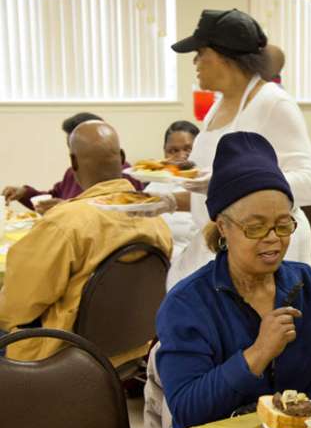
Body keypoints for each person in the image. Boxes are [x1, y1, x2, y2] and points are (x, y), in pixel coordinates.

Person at [156, 132, 311, 428]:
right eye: (256, 228)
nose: (273, 240)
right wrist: (258, 353)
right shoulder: (188, 304)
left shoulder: (303, 282)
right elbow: (187, 410)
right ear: (223, 227)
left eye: (283, 225)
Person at [163, 8, 311, 288]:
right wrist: (167, 202)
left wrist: (234, 183)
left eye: (201, 53)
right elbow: (212, 188)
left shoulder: (273, 104)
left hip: (264, 250)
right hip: (222, 243)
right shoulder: (217, 106)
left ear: (226, 56)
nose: (195, 62)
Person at [0, 121, 172, 365]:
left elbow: (14, 307)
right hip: (132, 348)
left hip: (65, 354)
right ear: (122, 158)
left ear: (73, 163)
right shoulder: (155, 219)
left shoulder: (65, 224)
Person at [2, 112, 144, 213]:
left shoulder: (125, 174)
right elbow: (53, 199)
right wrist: (25, 193)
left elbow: (120, 213)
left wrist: (66, 208)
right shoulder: (73, 172)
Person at [144, 121, 199, 258]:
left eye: (188, 149)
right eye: (173, 151)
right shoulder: (154, 187)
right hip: (159, 264)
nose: (181, 156)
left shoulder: (208, 186)